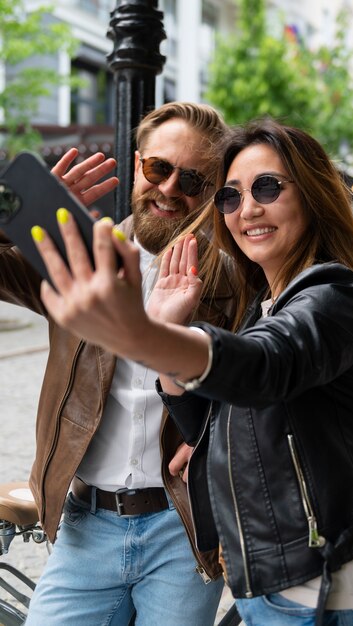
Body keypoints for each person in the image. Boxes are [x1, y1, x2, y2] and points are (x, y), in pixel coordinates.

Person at [31, 117, 353, 626]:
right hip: (273, 593)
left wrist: (142, 335)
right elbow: (216, 427)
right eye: (230, 196)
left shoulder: (335, 295)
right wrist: (166, 341)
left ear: (314, 194)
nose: (247, 208)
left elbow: (267, 365)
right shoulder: (265, 305)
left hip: (330, 599)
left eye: (267, 187)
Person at [0, 102, 237, 625]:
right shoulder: (78, 259)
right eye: (159, 168)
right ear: (136, 166)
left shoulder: (233, 281)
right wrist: (11, 208)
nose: (171, 188)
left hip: (184, 530)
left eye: (193, 179)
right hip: (86, 527)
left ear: (215, 190)